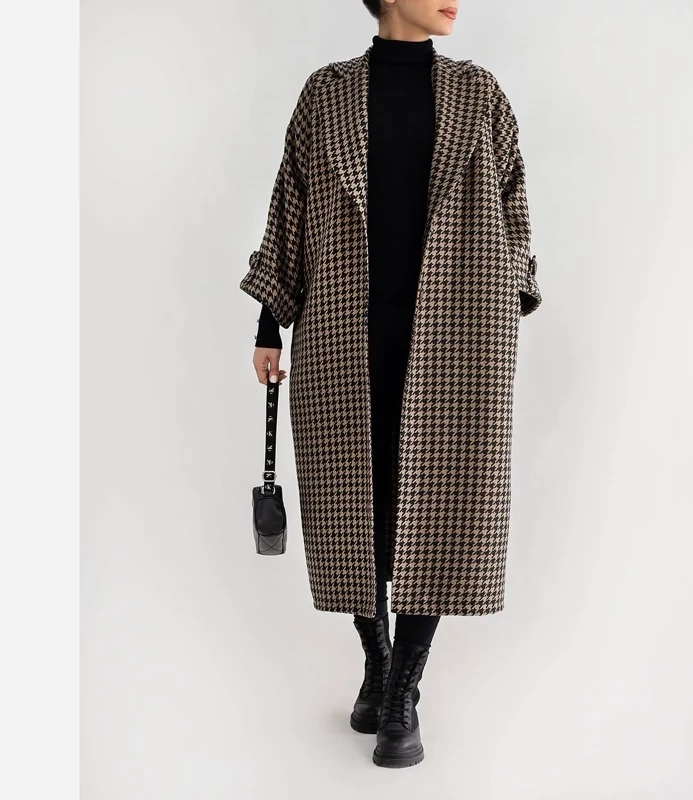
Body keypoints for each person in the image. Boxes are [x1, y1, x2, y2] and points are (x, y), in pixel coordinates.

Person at [242, 0, 541, 769]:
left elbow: (514, 205)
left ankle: (402, 690)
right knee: (355, 508)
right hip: (345, 330)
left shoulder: (480, 93)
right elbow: (290, 204)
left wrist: (508, 294)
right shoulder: (327, 93)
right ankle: (375, 660)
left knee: (441, 510)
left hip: (459, 333)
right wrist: (270, 321)